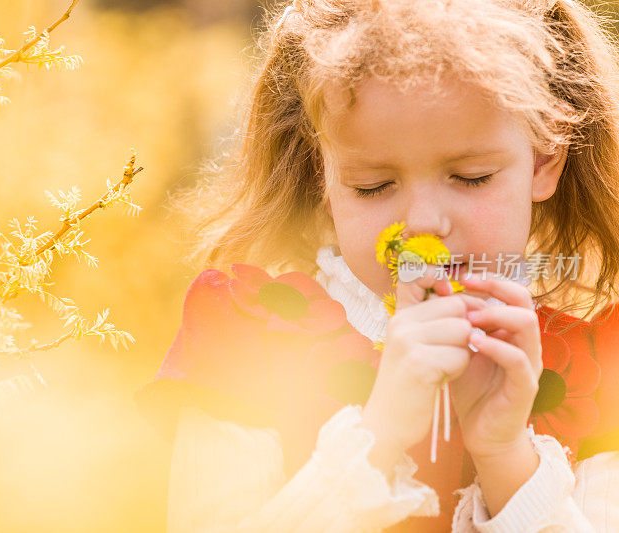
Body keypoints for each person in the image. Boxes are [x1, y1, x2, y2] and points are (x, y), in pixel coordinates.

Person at [134, 0, 619, 530]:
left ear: (545, 160)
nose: (423, 222)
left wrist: (506, 458)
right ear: (323, 177)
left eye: (473, 176)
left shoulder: (595, 371)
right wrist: (378, 435)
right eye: (373, 186)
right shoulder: (249, 334)